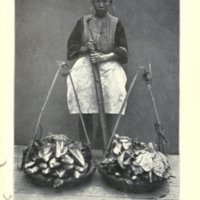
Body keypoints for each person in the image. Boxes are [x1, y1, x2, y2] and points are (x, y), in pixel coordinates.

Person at [65, 0, 128, 149]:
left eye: (105, 1)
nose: (101, 5)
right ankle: (86, 147)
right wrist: (84, 48)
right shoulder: (83, 22)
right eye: (98, 1)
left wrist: (104, 57)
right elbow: (72, 45)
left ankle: (104, 146)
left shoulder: (116, 23)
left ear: (110, 3)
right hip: (86, 67)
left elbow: (123, 50)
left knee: (109, 106)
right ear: (93, 3)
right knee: (85, 106)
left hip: (109, 66)